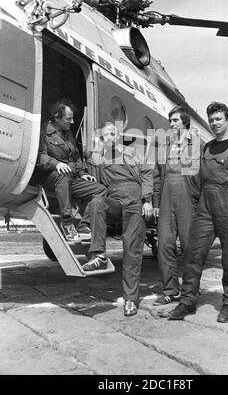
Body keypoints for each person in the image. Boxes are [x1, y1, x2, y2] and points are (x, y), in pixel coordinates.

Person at [166, 101, 228, 322]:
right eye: (211, 120)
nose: (215, 123)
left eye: (218, 119)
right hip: (206, 209)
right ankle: (187, 302)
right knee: (193, 254)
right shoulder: (207, 147)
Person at [83, 122, 153, 317]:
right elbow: (88, 169)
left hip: (134, 198)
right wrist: (85, 175)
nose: (111, 138)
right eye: (107, 135)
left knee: (132, 250)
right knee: (97, 202)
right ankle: (98, 254)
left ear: (119, 136)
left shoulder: (132, 153)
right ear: (102, 139)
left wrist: (147, 200)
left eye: (114, 134)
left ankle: (130, 300)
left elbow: (147, 173)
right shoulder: (98, 159)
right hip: (114, 198)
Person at [36, 99, 106, 243]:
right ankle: (67, 222)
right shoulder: (44, 130)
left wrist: (83, 174)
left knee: (100, 189)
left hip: (70, 178)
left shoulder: (68, 134)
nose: (72, 122)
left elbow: (75, 157)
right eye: (69, 118)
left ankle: (84, 225)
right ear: (57, 117)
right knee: (63, 175)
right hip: (51, 177)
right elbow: (39, 156)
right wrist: (56, 164)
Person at [152, 106, 201, 306]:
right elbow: (156, 175)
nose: (171, 124)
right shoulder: (164, 146)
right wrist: (155, 202)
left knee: (190, 246)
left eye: (175, 120)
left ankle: (191, 292)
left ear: (185, 122)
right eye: (170, 120)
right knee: (164, 245)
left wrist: (198, 202)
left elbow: (203, 175)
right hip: (165, 196)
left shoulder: (197, 144)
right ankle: (171, 291)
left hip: (187, 197)